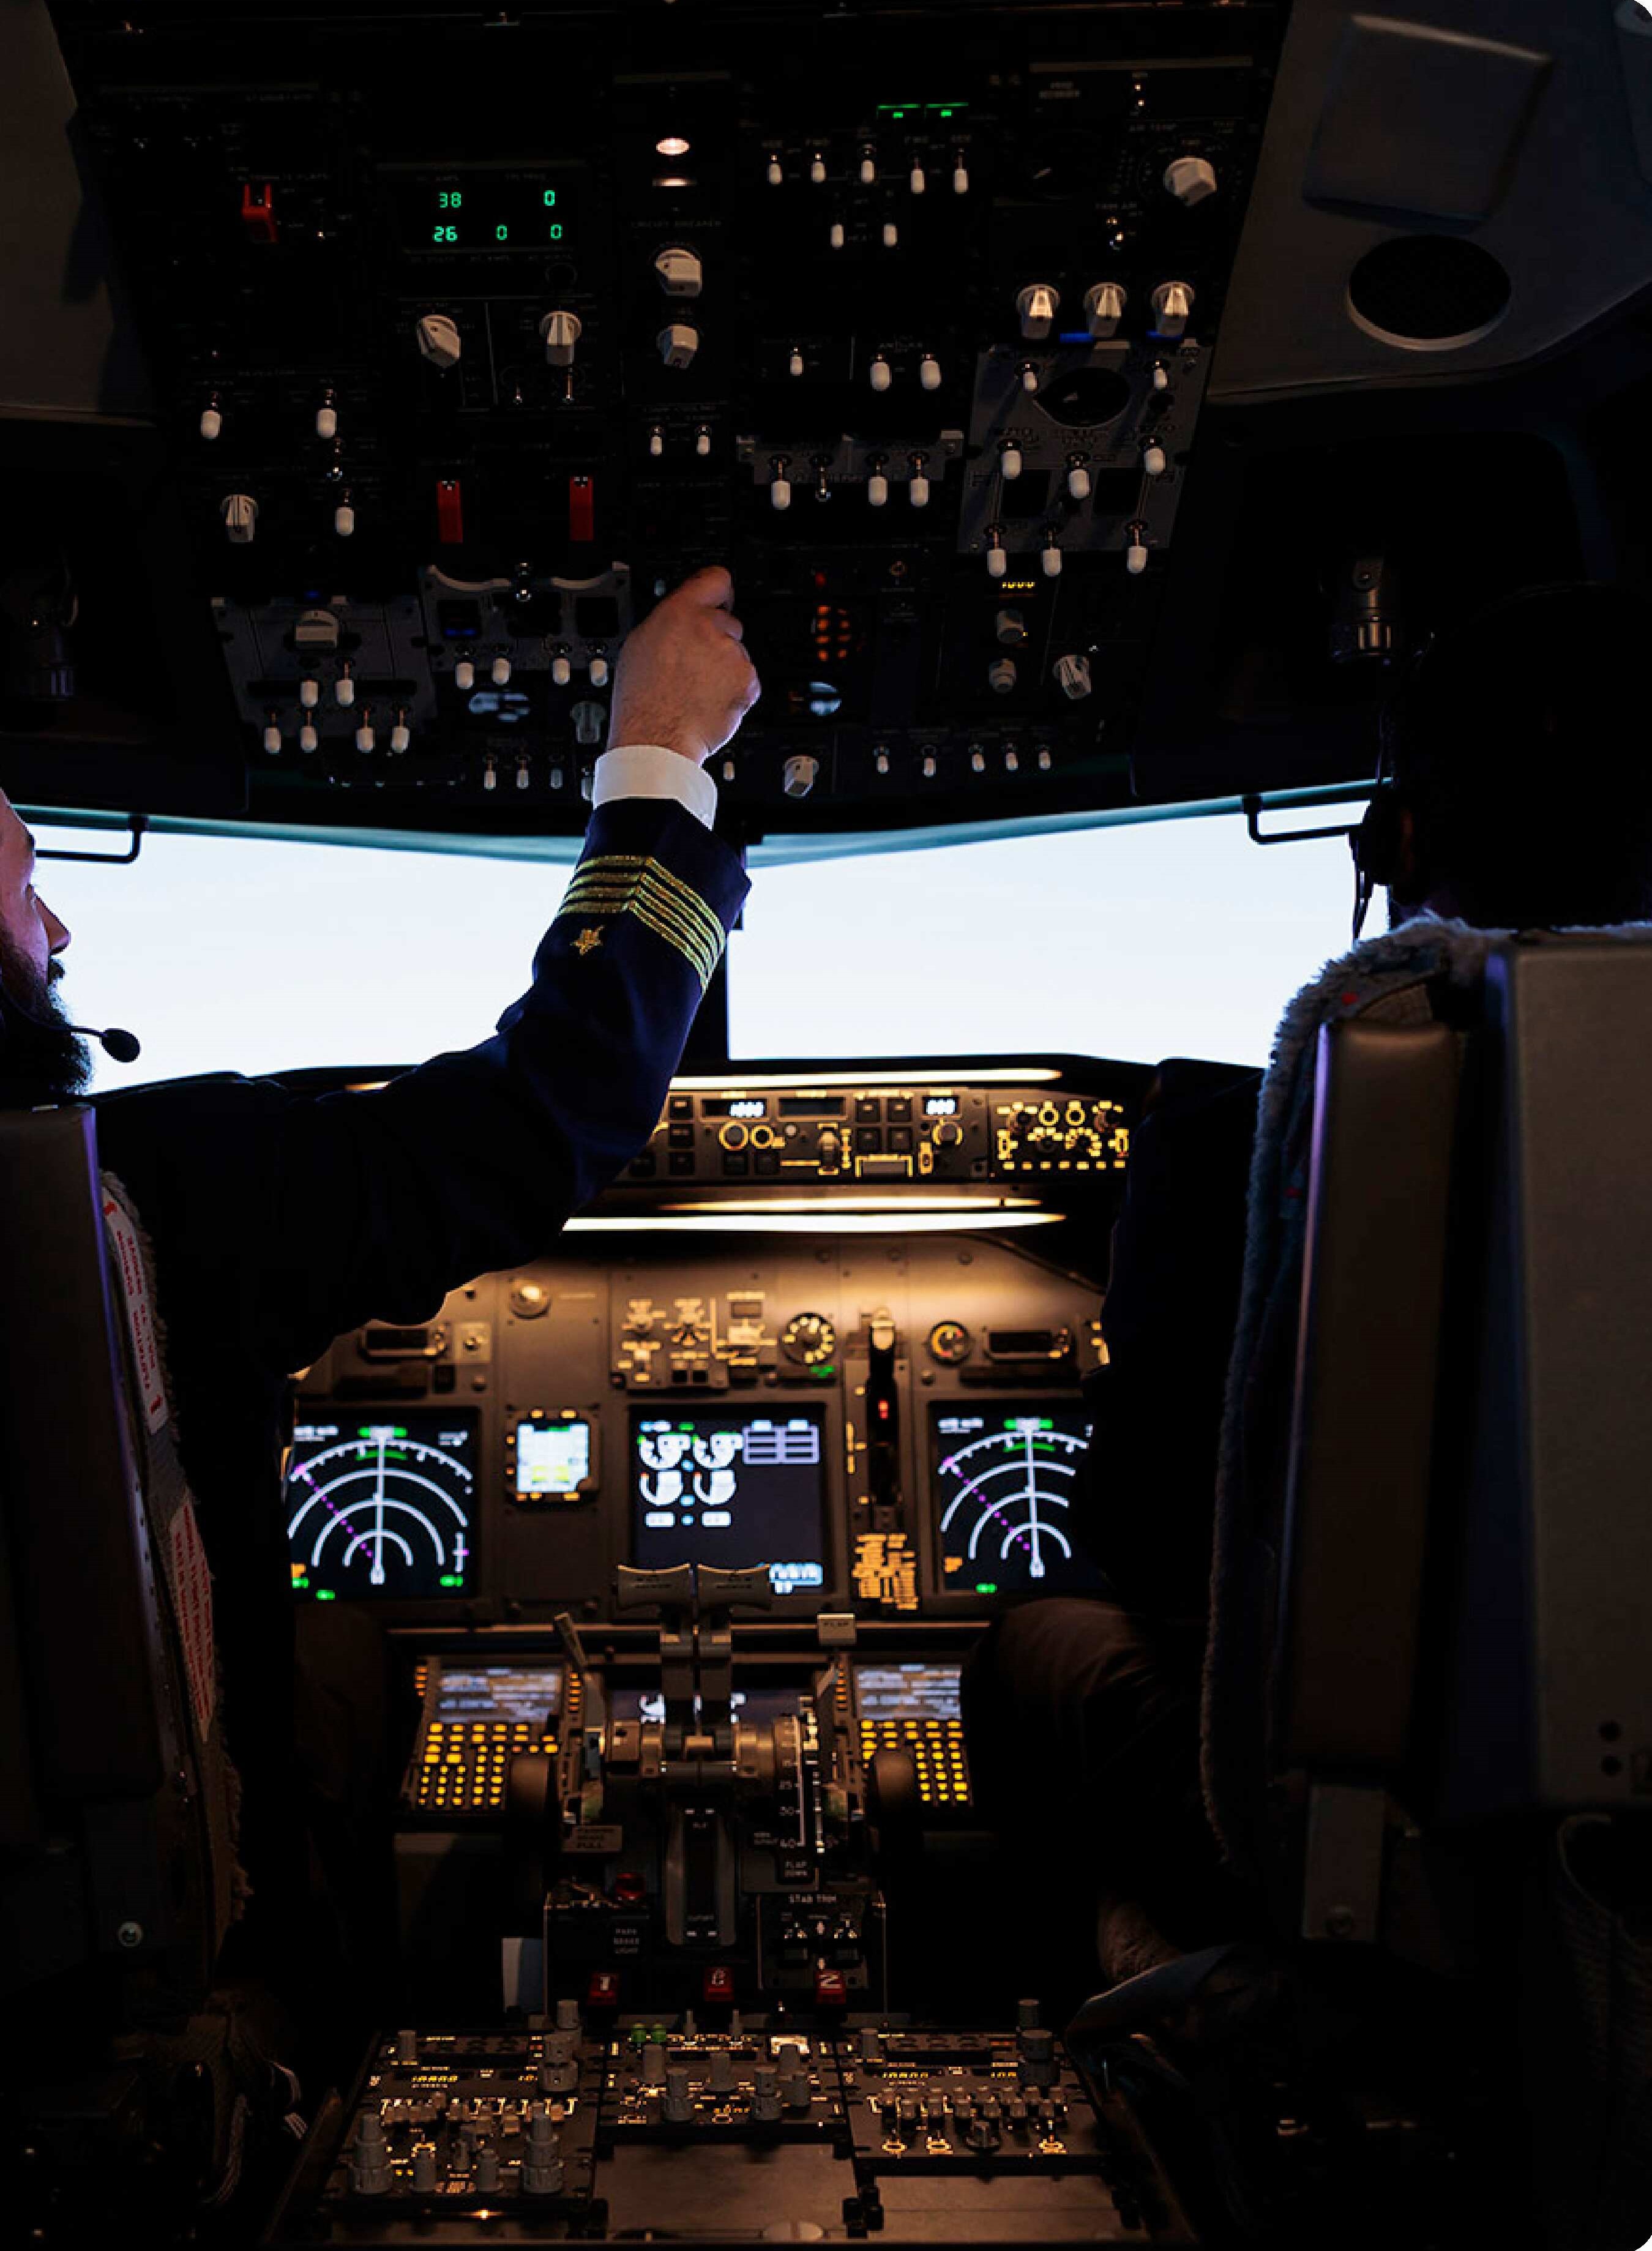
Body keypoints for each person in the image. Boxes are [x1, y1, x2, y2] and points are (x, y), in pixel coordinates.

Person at [0, 564, 759, 2053]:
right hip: (151, 1998)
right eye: (27, 883)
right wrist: (659, 756)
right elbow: (553, 1107)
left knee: (340, 1656)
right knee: (336, 1663)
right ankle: (333, 2045)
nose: (63, 935)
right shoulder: (143, 1207)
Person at [961, 580, 1652, 2010]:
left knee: (1038, 1640)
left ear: (1392, 839)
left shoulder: (1299, 1126)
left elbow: (1152, 1556)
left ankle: (1104, 2051)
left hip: (1379, 1861)